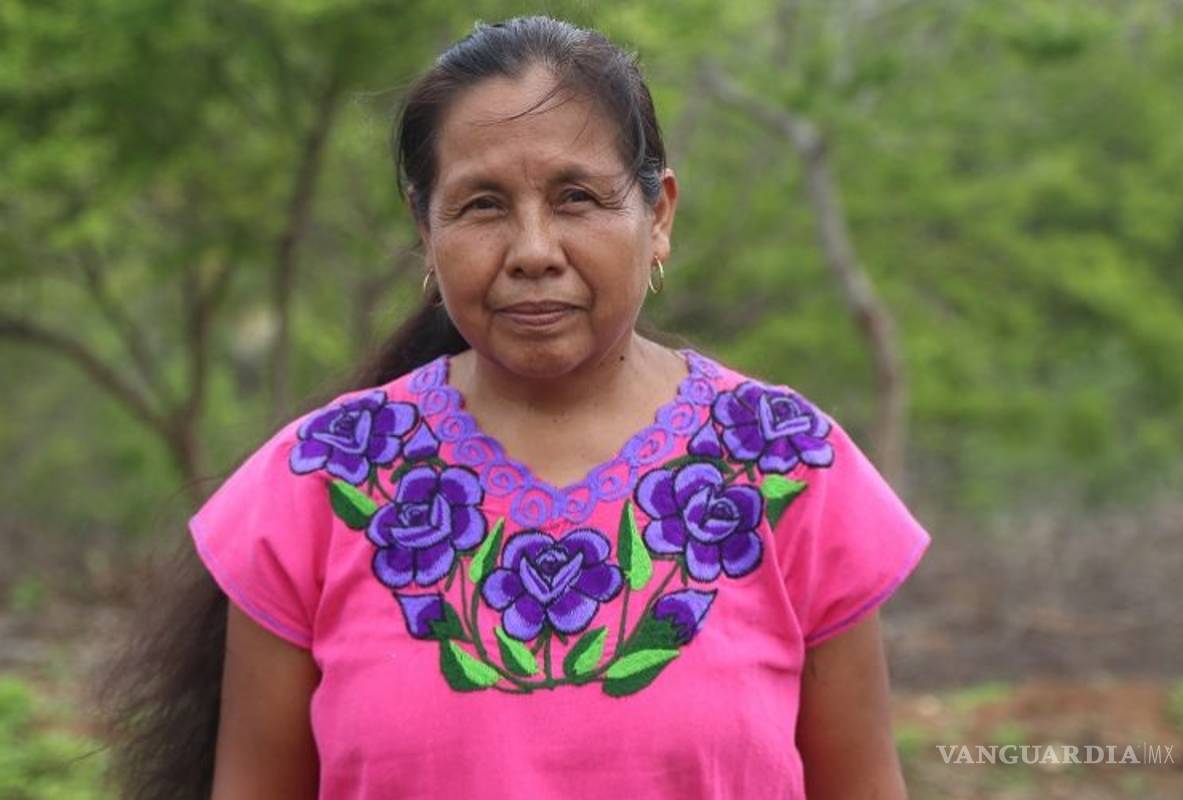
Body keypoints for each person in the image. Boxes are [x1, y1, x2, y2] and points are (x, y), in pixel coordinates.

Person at [100, 15, 931, 800]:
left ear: (658, 216)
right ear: (425, 232)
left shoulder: (787, 466)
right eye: (483, 205)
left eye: (577, 198)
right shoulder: (318, 484)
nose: (534, 252)